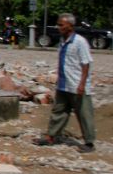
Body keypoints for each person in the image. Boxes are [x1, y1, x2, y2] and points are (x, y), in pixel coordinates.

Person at [34, 13, 96, 152]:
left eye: (62, 24)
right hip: (63, 84)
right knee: (59, 111)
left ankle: (89, 143)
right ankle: (52, 136)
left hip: (77, 85)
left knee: (84, 114)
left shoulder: (80, 42)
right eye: (58, 24)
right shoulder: (62, 41)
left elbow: (86, 64)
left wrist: (82, 84)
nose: (59, 27)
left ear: (70, 26)